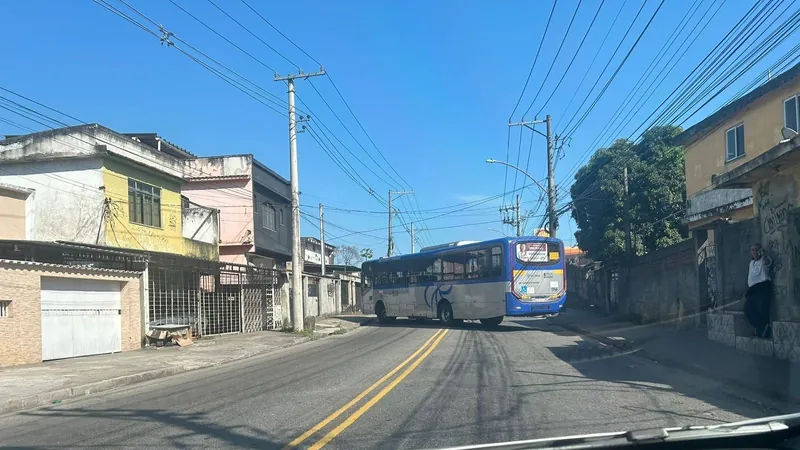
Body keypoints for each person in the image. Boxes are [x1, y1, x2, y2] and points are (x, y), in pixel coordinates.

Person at [745, 243, 772, 338]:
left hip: (763, 287)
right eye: (753, 250)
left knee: (762, 310)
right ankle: (760, 328)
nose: (754, 252)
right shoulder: (751, 263)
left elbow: (766, 264)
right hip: (753, 289)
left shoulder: (764, 260)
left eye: (756, 250)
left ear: (760, 251)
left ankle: (764, 331)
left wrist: (763, 254)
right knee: (748, 310)